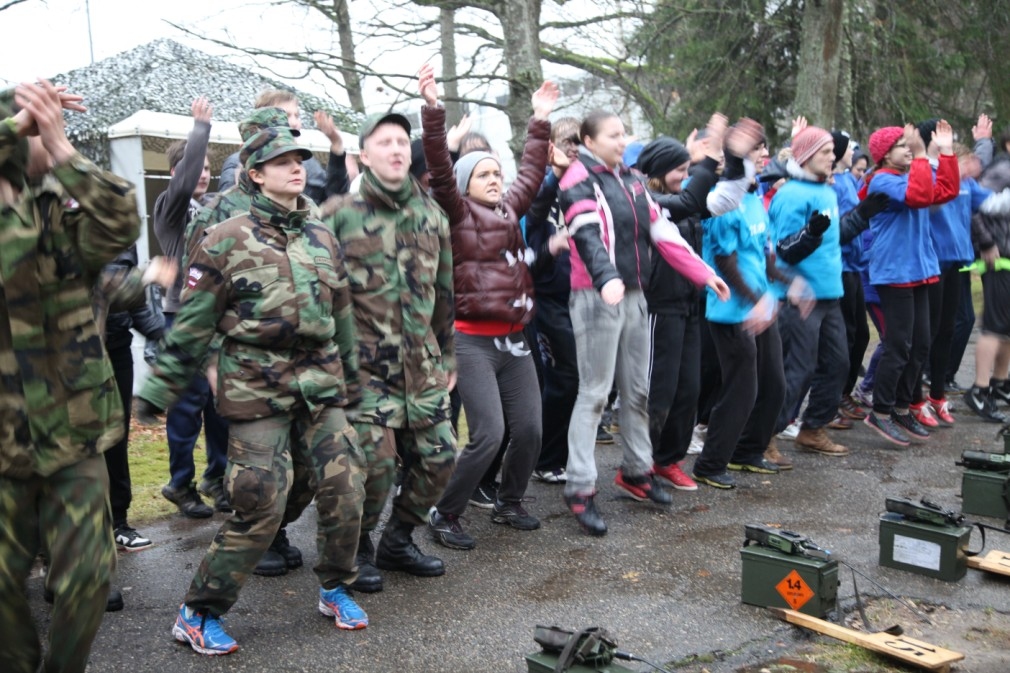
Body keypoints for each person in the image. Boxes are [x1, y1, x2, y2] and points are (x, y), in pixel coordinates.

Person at [135, 125, 368, 655]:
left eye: (300, 159)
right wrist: (157, 393)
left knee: (346, 485)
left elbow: (343, 316)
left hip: (321, 383)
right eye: (282, 161)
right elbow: (193, 324)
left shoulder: (322, 236)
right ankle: (198, 611)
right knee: (260, 499)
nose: (296, 167)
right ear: (256, 174)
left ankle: (334, 586)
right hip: (258, 386)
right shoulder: (225, 236)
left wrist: (354, 381)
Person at [0, 79, 140, 673]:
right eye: (29, 121)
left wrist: (61, 147)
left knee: (88, 578)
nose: (39, 127)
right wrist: (11, 127)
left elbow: (121, 220)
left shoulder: (61, 210)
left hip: (72, 433)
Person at [557, 109, 728, 534]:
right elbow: (586, 234)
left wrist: (705, 274)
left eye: (623, 134)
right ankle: (580, 488)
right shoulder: (577, 180)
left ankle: (636, 471)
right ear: (589, 141)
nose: (621, 140)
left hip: (635, 295)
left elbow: (663, 233)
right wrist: (606, 278)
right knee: (594, 393)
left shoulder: (630, 180)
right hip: (596, 297)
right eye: (612, 134)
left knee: (637, 390)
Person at [420, 64, 556, 549]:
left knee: (531, 429)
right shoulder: (455, 213)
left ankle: (509, 501)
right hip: (471, 340)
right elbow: (438, 164)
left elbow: (535, 171)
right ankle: (446, 511)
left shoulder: (510, 211)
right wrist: (434, 112)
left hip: (514, 338)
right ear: (465, 182)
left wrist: (540, 120)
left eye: (499, 172)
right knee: (489, 433)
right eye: (484, 173)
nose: (496, 179)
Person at [322, 110, 456, 592]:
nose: (397, 149)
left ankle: (398, 540)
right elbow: (318, 296)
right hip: (364, 371)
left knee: (441, 456)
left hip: (421, 366)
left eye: (402, 141)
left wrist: (449, 355)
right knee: (375, 470)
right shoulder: (336, 216)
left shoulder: (431, 216)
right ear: (364, 156)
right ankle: (359, 547)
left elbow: (444, 293)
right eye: (385, 142)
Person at [692, 120, 786, 488]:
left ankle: (748, 452)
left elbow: (764, 254)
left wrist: (792, 284)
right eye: (757, 148)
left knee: (774, 384)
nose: (764, 155)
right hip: (732, 310)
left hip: (762, 308)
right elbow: (726, 263)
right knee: (740, 389)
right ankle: (710, 464)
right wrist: (756, 301)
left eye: (765, 148)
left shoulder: (754, 199)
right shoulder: (722, 201)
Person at [637, 115, 727, 487]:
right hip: (660, 307)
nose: (684, 176)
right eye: (679, 170)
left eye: (687, 169)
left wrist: (728, 156)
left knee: (688, 388)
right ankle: (639, 463)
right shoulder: (649, 199)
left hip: (691, 304)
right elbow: (690, 201)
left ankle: (668, 459)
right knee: (660, 389)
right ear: (659, 170)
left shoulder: (682, 198)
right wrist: (705, 161)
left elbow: (719, 196)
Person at [153, 96, 229, 518]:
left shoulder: (217, 207)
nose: (201, 174)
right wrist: (200, 131)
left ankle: (216, 478)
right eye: (193, 167)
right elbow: (182, 185)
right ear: (175, 173)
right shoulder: (170, 207)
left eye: (205, 168)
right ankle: (179, 484)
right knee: (188, 404)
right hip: (181, 315)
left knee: (221, 403)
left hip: (216, 317)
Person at [861, 122, 959, 446]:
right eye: (901, 145)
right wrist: (920, 155)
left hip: (919, 269)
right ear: (884, 155)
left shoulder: (906, 175)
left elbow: (944, 191)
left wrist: (945, 153)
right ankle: (881, 411)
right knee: (899, 344)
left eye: (908, 145)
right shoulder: (882, 181)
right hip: (894, 272)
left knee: (921, 345)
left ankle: (903, 406)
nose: (908, 148)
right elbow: (918, 197)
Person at [525, 116, 584, 484]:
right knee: (564, 377)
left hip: (584, 296)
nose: (574, 147)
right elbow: (530, 250)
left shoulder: (584, 186)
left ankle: (563, 454)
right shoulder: (538, 189)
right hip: (548, 299)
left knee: (580, 380)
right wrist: (551, 247)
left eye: (579, 141)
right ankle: (545, 458)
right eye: (567, 141)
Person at [218, 89, 330, 204]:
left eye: (297, 116)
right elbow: (229, 206)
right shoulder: (236, 162)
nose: (294, 122)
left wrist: (337, 152)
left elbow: (333, 197)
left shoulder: (309, 162)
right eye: (285, 115)